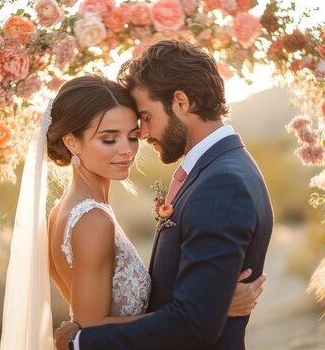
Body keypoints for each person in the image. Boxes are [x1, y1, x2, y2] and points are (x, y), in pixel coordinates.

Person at [0, 74, 265, 349]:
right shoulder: (92, 220)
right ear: (72, 142)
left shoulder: (63, 209)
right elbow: (90, 331)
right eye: (109, 139)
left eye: (133, 136)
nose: (127, 150)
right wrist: (212, 308)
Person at [55, 40, 274, 350]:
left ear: (181, 102)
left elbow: (195, 323)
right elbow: (194, 311)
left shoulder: (222, 183)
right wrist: (215, 303)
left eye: (145, 118)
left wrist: (81, 342)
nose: (142, 135)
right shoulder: (220, 170)